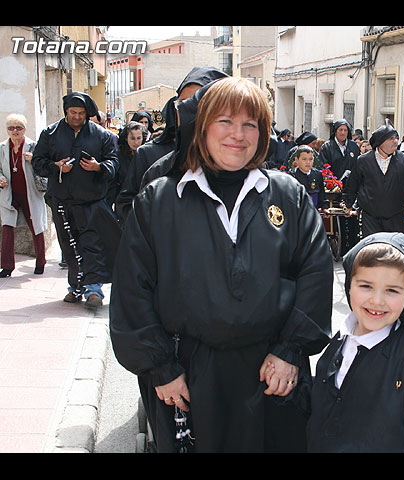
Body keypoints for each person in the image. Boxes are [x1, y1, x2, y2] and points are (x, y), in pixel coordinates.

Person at [109, 77, 334, 453]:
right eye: (225, 121)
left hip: (273, 374)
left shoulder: (287, 195)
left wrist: (290, 352)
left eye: (251, 124)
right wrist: (161, 368)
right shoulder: (160, 200)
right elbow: (133, 289)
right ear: (202, 127)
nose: (238, 135)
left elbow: (315, 272)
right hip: (188, 377)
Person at [306, 232, 404, 452]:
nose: (377, 300)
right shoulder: (339, 343)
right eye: (366, 286)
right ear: (349, 286)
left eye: (391, 290)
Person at [32, 92, 121, 308]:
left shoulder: (102, 135)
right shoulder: (50, 133)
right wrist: (56, 166)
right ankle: (75, 288)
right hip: (63, 202)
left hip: (92, 201)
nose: (77, 117)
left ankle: (94, 291)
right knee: (70, 247)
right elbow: (38, 162)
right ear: (66, 112)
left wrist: (98, 166)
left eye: (81, 113)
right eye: (73, 113)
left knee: (93, 245)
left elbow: (114, 163)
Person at [115, 66, 229, 224]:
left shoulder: (252, 176)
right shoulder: (158, 171)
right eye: (183, 103)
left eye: (199, 102)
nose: (188, 110)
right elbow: (129, 208)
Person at [344, 120, 404, 239]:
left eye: (396, 138)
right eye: (391, 138)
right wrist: (349, 204)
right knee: (373, 252)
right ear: (380, 142)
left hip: (396, 217)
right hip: (371, 217)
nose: (395, 141)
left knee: (394, 253)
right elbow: (353, 184)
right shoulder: (363, 161)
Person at [0, 114, 47, 277]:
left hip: (30, 194)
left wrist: (33, 160)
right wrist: (1, 179)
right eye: (11, 128)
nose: (15, 131)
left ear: (25, 129)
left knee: (36, 227)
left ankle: (40, 262)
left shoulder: (33, 146)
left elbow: (44, 167)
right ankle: (6, 267)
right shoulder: (2, 148)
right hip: (10, 194)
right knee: (7, 228)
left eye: (18, 127)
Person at [319, 119, 361, 254]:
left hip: (352, 187)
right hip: (334, 187)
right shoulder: (327, 147)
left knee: (353, 217)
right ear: (335, 131)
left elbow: (358, 164)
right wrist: (333, 181)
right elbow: (324, 167)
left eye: (345, 130)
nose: (342, 133)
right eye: (340, 130)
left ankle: (353, 248)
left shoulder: (354, 146)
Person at [107, 121, 146, 209]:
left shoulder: (146, 155)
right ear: (126, 138)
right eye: (132, 138)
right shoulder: (118, 156)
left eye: (138, 138)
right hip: (123, 201)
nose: (136, 142)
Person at [289, 145, 328, 213]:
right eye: (304, 159)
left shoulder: (317, 174)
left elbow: (322, 195)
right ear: (297, 160)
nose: (308, 162)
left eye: (310, 159)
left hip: (314, 211)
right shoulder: (292, 175)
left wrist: (324, 207)